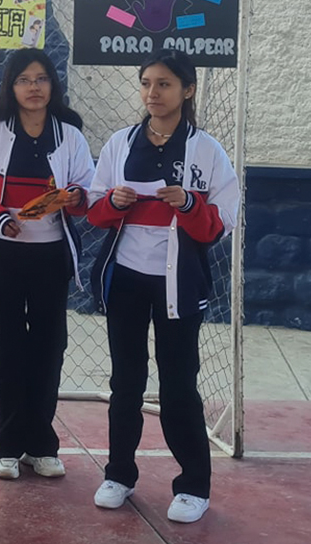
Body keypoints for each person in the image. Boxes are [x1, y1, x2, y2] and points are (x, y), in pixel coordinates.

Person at [87, 49, 238, 523]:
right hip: (126, 279)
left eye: (165, 84)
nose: (153, 93)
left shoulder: (207, 150)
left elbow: (221, 224)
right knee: (125, 382)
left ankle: (193, 486)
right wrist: (114, 201)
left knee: (178, 386)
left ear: (187, 90)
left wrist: (190, 205)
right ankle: (118, 474)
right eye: (147, 83)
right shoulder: (120, 142)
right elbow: (94, 211)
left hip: (179, 283)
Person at [0, 48, 95, 481]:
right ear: (11, 87)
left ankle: (42, 446)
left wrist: (76, 197)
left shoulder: (70, 135)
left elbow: (89, 191)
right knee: (9, 346)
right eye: (24, 80)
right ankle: (8, 448)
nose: (34, 87)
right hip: (3, 255)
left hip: (51, 256)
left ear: (53, 84)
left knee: (50, 346)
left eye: (42, 78)